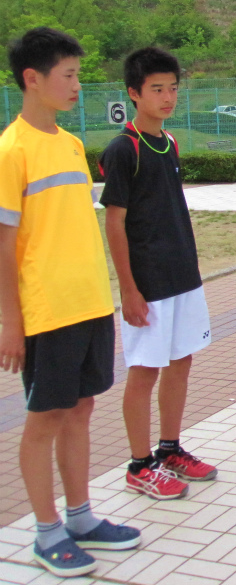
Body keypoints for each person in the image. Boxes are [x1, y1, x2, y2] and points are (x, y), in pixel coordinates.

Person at [0, 28, 141, 577]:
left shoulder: (69, 144)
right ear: (32, 79)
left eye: (78, 74)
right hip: (47, 310)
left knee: (81, 409)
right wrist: (11, 322)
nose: (78, 85)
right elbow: (5, 245)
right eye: (69, 75)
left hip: (89, 303)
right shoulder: (12, 150)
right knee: (45, 418)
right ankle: (46, 533)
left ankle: (81, 518)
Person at [99, 48, 217, 501]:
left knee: (181, 361)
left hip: (182, 276)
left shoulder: (169, 142)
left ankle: (170, 449)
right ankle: (139, 464)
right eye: (157, 89)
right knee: (144, 371)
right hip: (147, 285)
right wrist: (129, 290)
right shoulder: (123, 149)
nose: (167, 97)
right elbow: (114, 224)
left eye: (172, 88)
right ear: (134, 93)